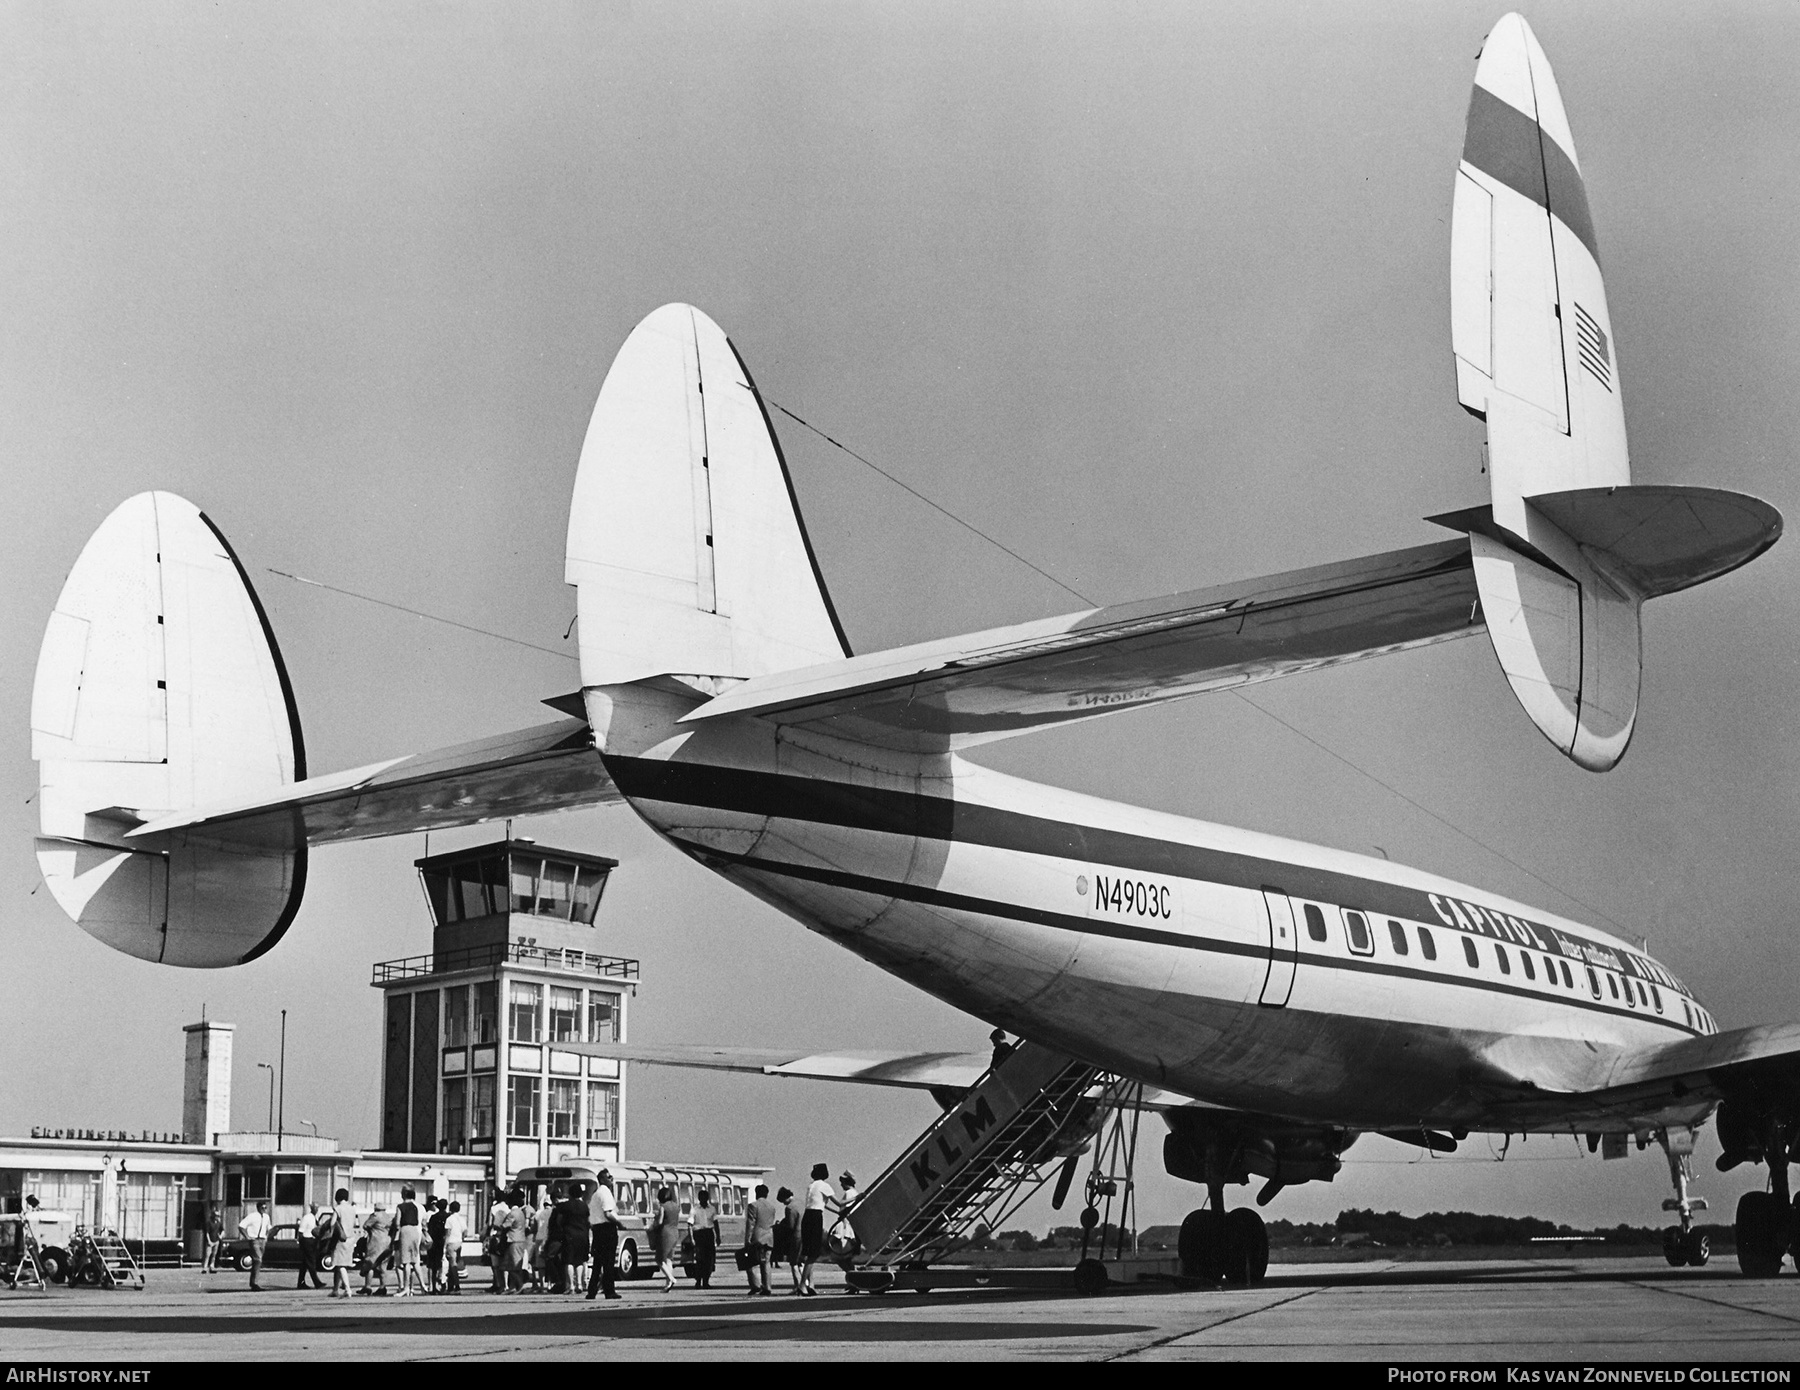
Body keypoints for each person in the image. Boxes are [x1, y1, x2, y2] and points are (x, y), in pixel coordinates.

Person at [584, 1171, 623, 1300]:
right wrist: (619, 1223)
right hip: (607, 1229)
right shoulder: (605, 1192)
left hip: (597, 1230)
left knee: (598, 1263)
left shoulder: (595, 1194)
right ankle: (609, 1290)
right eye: (609, 1177)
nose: (611, 1179)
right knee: (608, 1262)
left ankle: (592, 1290)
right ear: (602, 1179)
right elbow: (608, 1213)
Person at [800, 1164, 836, 1296]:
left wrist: (836, 1212)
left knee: (810, 1252)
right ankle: (803, 1284)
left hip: (807, 1216)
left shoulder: (811, 1186)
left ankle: (810, 1284)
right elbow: (838, 1203)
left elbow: (823, 1204)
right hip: (816, 1217)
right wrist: (857, 1197)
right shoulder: (824, 1186)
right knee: (813, 1254)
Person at [744, 1183, 780, 1297]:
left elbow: (751, 1224)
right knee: (766, 1263)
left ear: (756, 1193)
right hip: (769, 1237)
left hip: (757, 1237)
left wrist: (747, 1239)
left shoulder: (753, 1205)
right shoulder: (772, 1206)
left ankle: (755, 1286)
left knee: (751, 1263)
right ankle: (767, 1287)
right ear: (767, 1194)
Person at [557, 1186, 591, 1296]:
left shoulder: (565, 1206)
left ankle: (571, 1285)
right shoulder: (584, 1206)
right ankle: (580, 1284)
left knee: (569, 1261)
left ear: (570, 1194)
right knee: (579, 1260)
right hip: (582, 1235)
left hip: (569, 1235)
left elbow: (559, 1220)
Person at [394, 1186, 425, 1297]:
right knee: (415, 1260)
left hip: (405, 1231)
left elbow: (397, 1222)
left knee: (406, 1261)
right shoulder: (416, 1206)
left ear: (404, 1194)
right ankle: (422, 1285)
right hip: (415, 1231)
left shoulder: (401, 1206)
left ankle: (406, 1288)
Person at [327, 1188, 357, 1299]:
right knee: (340, 1263)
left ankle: (348, 1289)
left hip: (341, 1239)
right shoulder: (352, 1209)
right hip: (350, 1238)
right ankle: (335, 1289)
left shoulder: (338, 1208)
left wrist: (330, 1232)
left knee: (340, 1265)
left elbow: (332, 1223)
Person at [651, 1185, 680, 1293]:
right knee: (669, 1259)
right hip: (675, 1232)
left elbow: (659, 1222)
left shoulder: (663, 1207)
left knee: (659, 1259)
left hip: (665, 1233)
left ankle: (671, 1279)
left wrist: (653, 1226)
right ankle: (668, 1284)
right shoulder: (676, 1206)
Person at [360, 1202, 392, 1295]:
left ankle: (368, 1286)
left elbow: (366, 1225)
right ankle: (382, 1287)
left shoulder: (375, 1215)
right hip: (387, 1243)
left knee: (370, 1263)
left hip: (376, 1242)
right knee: (383, 1266)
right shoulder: (388, 1216)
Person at [502, 1187, 530, 1293]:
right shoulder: (521, 1212)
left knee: (513, 1266)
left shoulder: (513, 1213)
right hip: (521, 1239)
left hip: (513, 1240)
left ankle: (520, 1285)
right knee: (515, 1264)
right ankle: (513, 1287)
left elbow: (505, 1225)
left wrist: (499, 1225)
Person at [240, 1199, 271, 1292]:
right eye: (262, 1207)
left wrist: (266, 1237)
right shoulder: (252, 1216)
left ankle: (253, 1282)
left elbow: (269, 1227)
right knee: (258, 1259)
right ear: (258, 1208)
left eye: (265, 1207)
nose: (264, 1209)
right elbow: (241, 1226)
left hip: (262, 1240)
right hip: (254, 1240)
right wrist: (247, 1236)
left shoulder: (266, 1217)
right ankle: (255, 1283)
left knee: (257, 1261)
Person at [690, 1189, 718, 1289]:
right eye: (702, 1198)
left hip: (709, 1234)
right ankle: (698, 1281)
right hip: (699, 1234)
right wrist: (692, 1238)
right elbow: (690, 1224)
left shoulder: (712, 1209)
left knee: (709, 1260)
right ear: (699, 1199)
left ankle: (706, 1281)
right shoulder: (695, 1209)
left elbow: (715, 1223)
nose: (704, 1200)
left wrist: (717, 1237)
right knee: (699, 1260)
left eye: (705, 1198)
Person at [486, 1188, 510, 1293]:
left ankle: (497, 1283)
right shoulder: (508, 1209)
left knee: (495, 1263)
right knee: (503, 1262)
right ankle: (506, 1284)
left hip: (495, 1236)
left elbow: (490, 1223)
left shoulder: (494, 1208)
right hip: (505, 1236)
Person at [295, 1202, 325, 1289]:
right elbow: (301, 1231)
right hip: (307, 1240)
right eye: (315, 1208)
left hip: (313, 1241)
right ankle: (317, 1282)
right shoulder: (307, 1218)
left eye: (317, 1208)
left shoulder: (314, 1218)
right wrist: (301, 1243)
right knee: (311, 1262)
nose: (316, 1210)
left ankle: (301, 1282)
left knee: (304, 1263)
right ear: (312, 1208)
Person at [442, 1200, 466, 1295]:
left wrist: (444, 1245)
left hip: (451, 1242)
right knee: (454, 1263)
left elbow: (447, 1234)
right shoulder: (461, 1218)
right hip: (459, 1242)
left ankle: (457, 1286)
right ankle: (450, 1286)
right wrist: (461, 1239)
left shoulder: (449, 1219)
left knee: (452, 1265)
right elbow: (465, 1231)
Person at [426, 1197, 448, 1294]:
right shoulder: (449, 1217)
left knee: (433, 1265)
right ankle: (443, 1284)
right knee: (443, 1264)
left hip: (435, 1243)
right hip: (445, 1242)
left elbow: (430, 1230)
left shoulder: (433, 1217)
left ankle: (433, 1286)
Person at [201, 1204, 224, 1274]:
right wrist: (209, 1241)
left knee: (214, 1255)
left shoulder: (219, 1223)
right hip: (210, 1241)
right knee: (207, 1255)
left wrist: (221, 1236)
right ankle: (205, 1268)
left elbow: (222, 1230)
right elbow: (207, 1232)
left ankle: (212, 1266)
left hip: (216, 1240)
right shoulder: (209, 1223)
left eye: (218, 1216)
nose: (217, 1217)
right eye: (216, 1216)